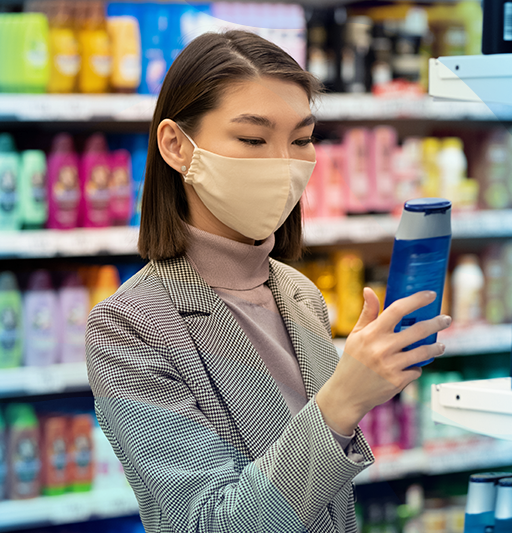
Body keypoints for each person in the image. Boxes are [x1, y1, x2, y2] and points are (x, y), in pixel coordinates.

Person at [85, 30, 451, 533]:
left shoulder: (300, 294)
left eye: (301, 140)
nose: (284, 164)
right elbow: (210, 522)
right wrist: (342, 400)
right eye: (253, 140)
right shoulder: (128, 325)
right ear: (175, 146)